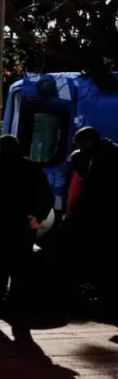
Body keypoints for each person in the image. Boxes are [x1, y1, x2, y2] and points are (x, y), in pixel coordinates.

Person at [0, 135, 54, 344]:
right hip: (22, 228)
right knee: (20, 274)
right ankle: (18, 316)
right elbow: (46, 196)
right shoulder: (31, 168)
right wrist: (36, 216)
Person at [67, 126, 118, 309]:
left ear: (88, 142)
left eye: (80, 144)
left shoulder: (99, 159)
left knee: (102, 258)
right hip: (109, 216)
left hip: (102, 217)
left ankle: (105, 298)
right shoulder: (111, 151)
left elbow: (93, 192)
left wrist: (76, 216)